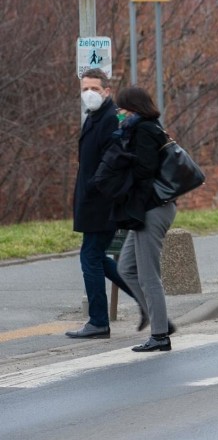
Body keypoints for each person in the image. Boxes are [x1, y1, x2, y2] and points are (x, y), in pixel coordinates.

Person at [67, 69, 140, 339]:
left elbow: (113, 161)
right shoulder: (96, 117)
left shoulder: (109, 119)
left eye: (95, 89)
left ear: (106, 92)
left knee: (90, 257)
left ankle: (98, 320)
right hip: (93, 201)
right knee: (97, 257)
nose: (89, 94)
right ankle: (147, 300)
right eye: (85, 88)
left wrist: (96, 187)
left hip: (101, 203)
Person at [113, 87, 177, 352]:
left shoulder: (145, 130)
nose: (119, 113)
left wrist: (120, 162)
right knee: (126, 268)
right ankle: (160, 320)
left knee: (149, 275)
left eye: (122, 108)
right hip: (146, 209)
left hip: (153, 209)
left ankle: (160, 335)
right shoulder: (144, 128)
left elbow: (145, 170)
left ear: (133, 108)